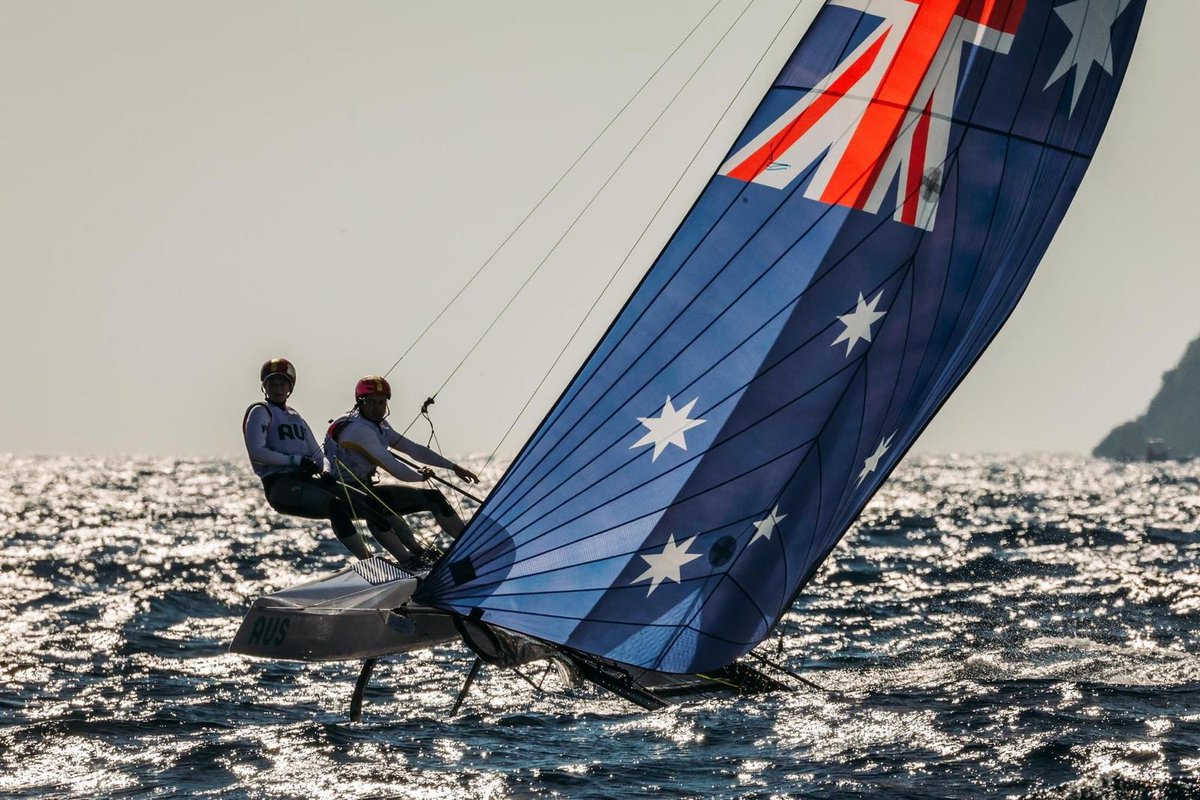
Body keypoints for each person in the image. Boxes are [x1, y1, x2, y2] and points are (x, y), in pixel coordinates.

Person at [324, 375, 478, 560]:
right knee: (377, 508)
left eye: (382, 403)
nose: (377, 408)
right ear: (360, 403)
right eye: (371, 402)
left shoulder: (380, 425)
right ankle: (408, 561)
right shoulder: (358, 430)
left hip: (365, 489)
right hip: (343, 492)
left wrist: (453, 467)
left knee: (433, 498)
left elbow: (413, 449)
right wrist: (420, 477)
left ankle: (468, 547)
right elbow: (393, 467)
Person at [242, 358, 377, 560]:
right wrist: (295, 461)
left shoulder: (296, 417)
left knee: (369, 502)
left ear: (290, 387)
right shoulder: (260, 412)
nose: (277, 388)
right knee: (336, 506)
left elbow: (317, 453)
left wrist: (325, 471)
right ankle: (369, 561)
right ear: (264, 386)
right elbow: (257, 452)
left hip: (306, 480)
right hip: (280, 485)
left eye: (282, 383)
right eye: (272, 384)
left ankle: (410, 557)